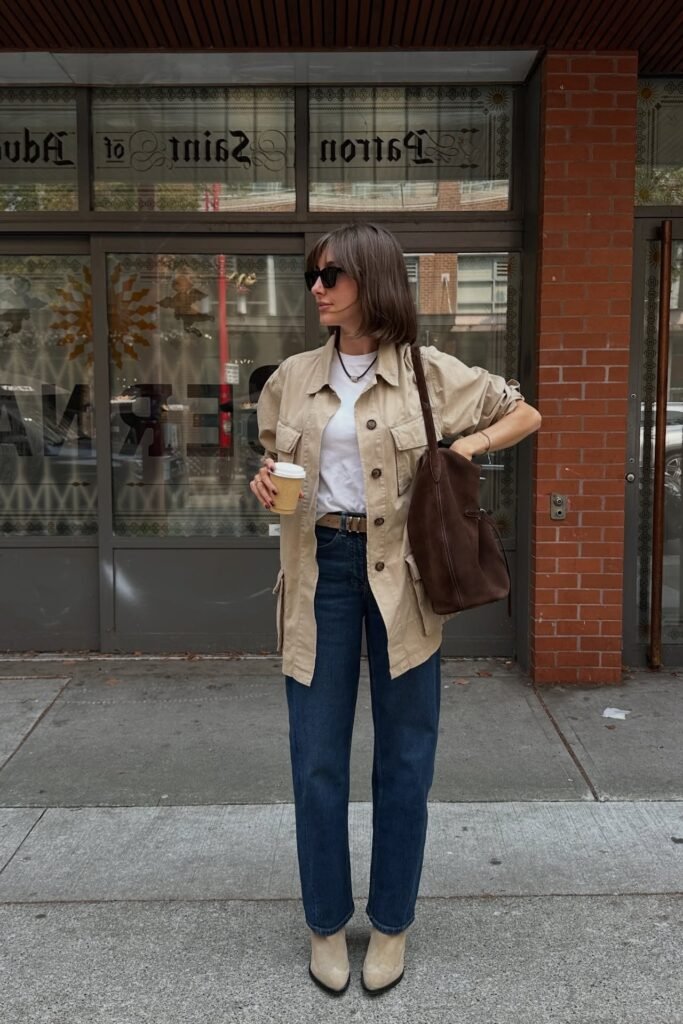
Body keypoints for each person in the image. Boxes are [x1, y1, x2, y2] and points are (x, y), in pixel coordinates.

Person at [250, 223, 541, 997]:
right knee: (316, 761)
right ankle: (323, 926)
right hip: (320, 575)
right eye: (312, 275)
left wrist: (463, 453)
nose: (317, 287)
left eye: (331, 275)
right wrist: (262, 482)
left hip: (401, 583)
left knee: (404, 762)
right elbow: (270, 459)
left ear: (370, 280)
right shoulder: (290, 377)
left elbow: (524, 414)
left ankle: (390, 925)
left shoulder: (428, 373)